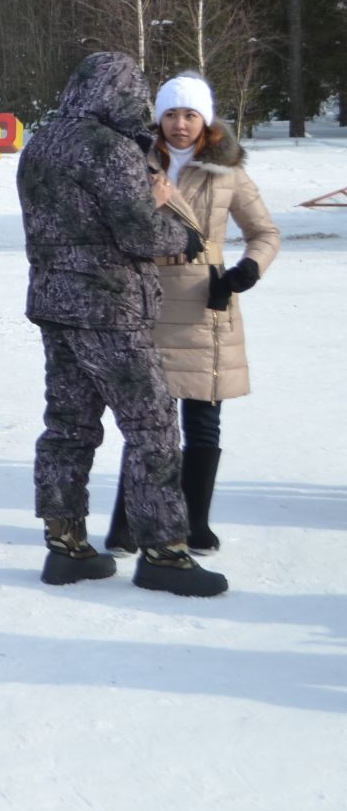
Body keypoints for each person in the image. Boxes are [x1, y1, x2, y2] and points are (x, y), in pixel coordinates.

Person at [17, 51, 227, 596]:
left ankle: (65, 546)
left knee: (68, 424)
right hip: (110, 309)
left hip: (54, 304)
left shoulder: (40, 143)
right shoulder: (109, 149)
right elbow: (137, 234)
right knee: (152, 424)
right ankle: (163, 551)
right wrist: (180, 232)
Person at [106, 73, 278, 556]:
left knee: (202, 421)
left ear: (206, 118)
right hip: (147, 301)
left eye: (190, 114)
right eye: (171, 114)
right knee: (146, 422)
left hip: (208, 304)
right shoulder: (133, 163)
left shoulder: (229, 172)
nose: (180, 124)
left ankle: (194, 523)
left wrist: (246, 270)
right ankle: (128, 523)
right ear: (158, 117)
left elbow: (266, 232)